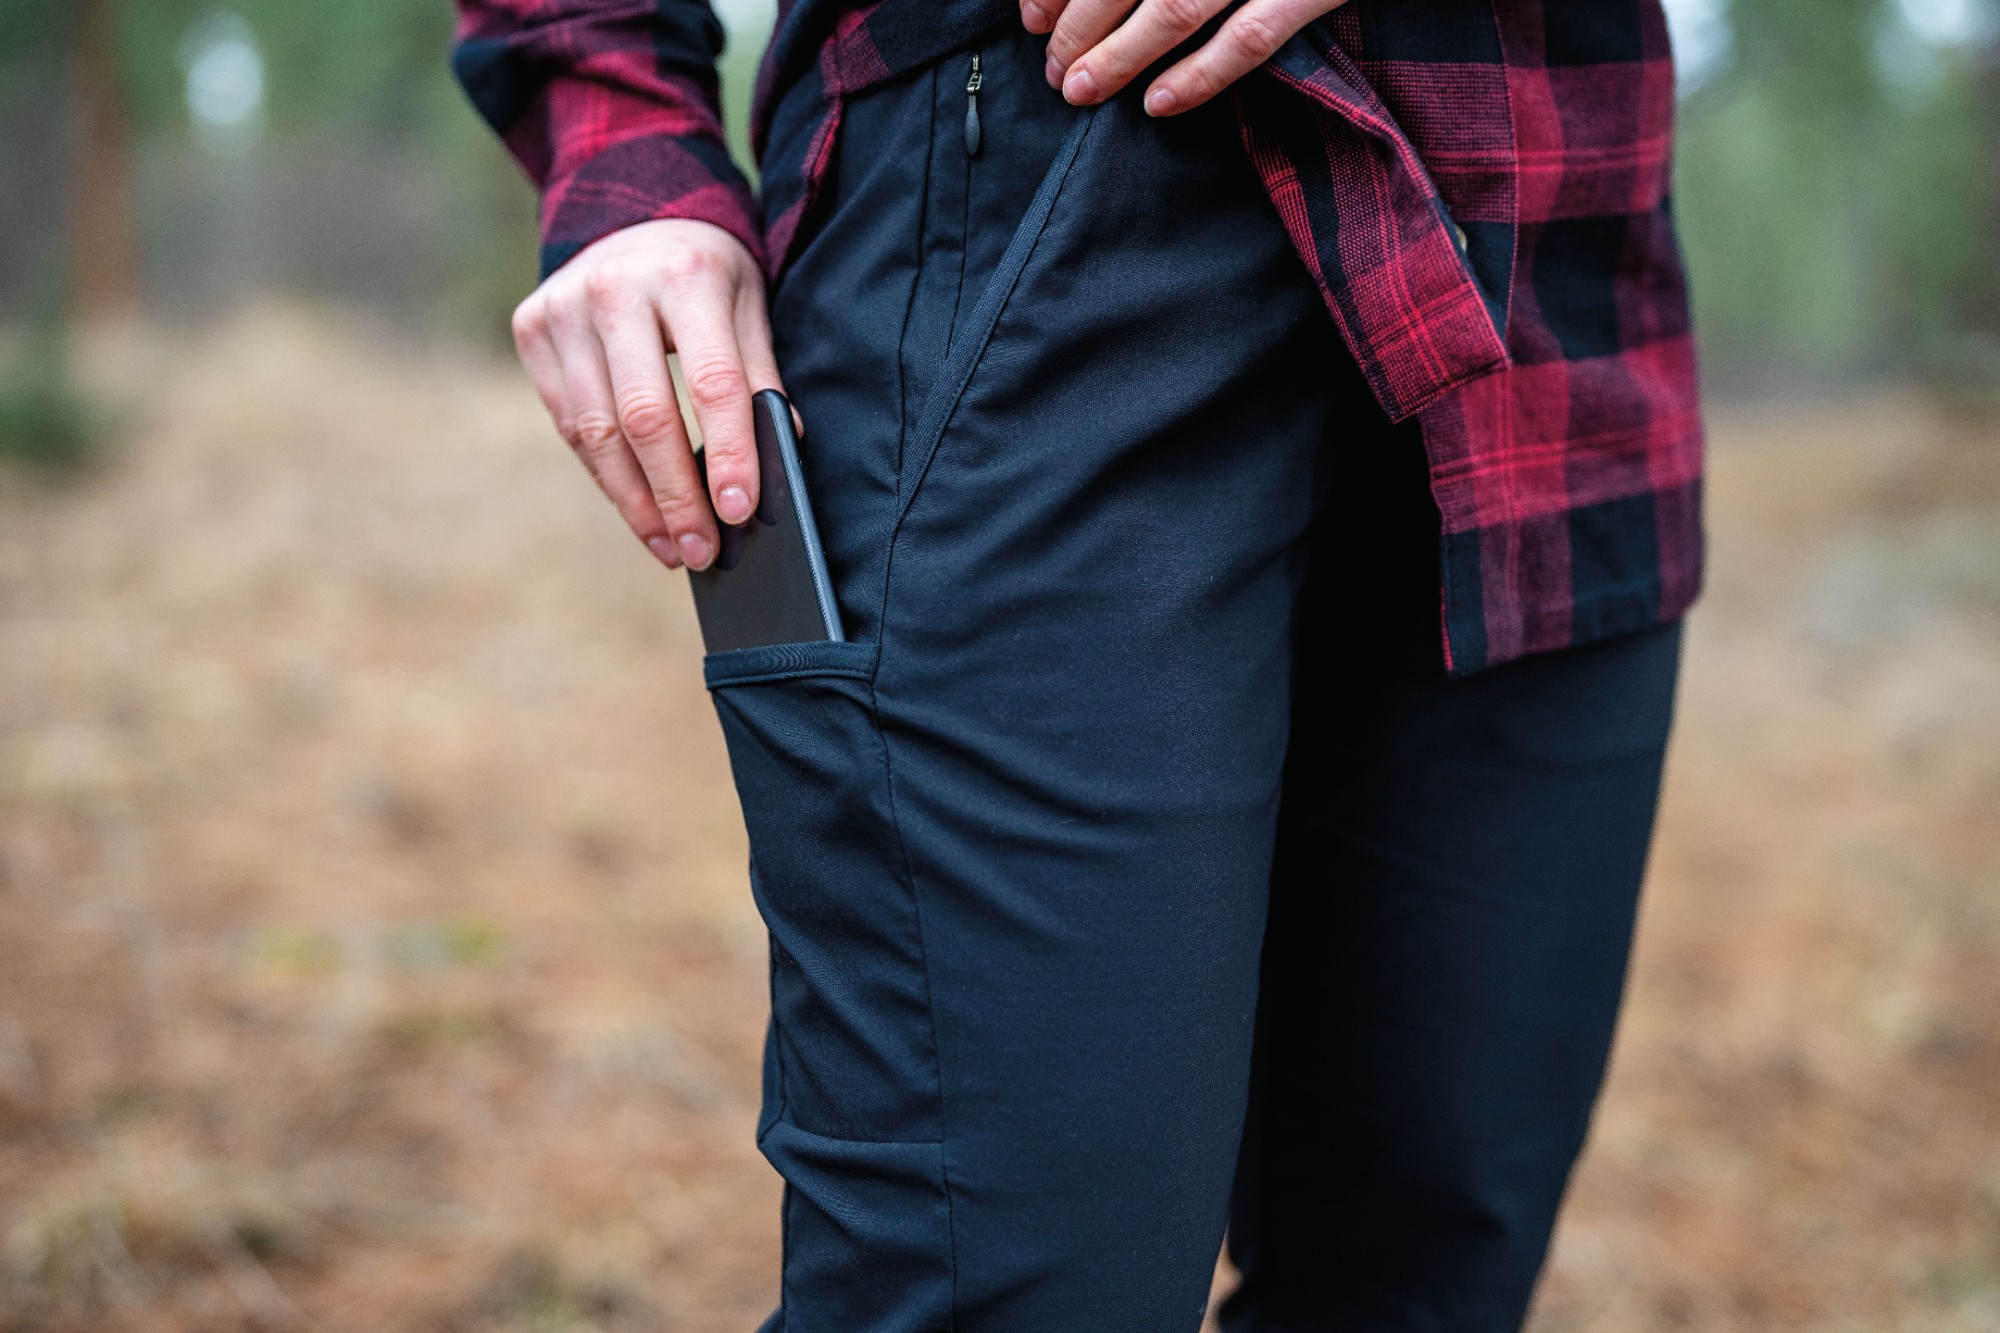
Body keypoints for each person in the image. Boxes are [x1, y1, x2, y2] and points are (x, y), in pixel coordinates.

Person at [450, 0, 1703, 1328]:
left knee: (1422, 1276)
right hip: (1031, 195)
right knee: (1002, 1284)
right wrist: (622, 139)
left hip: (1552, 259)